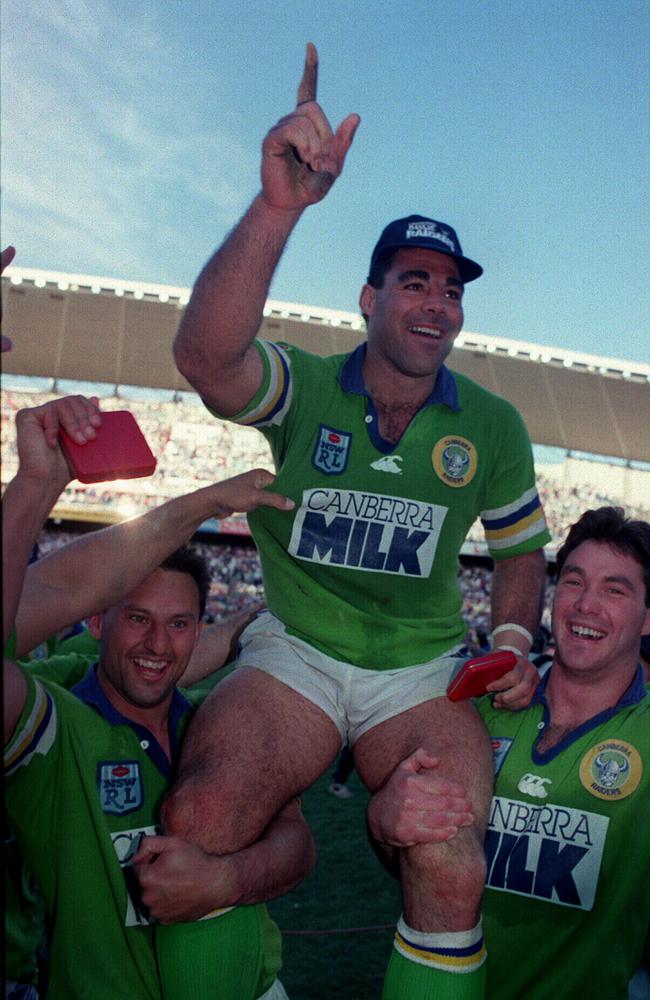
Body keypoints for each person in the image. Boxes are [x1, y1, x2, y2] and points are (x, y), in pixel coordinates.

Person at [169, 43, 550, 999]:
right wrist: (279, 206)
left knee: (450, 852)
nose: (438, 304)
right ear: (370, 298)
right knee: (205, 815)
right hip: (293, 644)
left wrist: (509, 629)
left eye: (452, 288)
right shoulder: (304, 384)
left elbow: (521, 552)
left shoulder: (494, 425)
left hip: (419, 670)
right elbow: (209, 362)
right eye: (415, 282)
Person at [3, 396, 313, 1000]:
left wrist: (224, 880)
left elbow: (298, 847)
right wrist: (35, 486)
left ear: (200, 629)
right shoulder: (53, 730)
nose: (158, 644)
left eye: (179, 624)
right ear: (94, 622)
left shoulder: (216, 720)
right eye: (137, 618)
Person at [368, 506, 650, 999]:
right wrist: (385, 824)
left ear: (648, 619)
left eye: (615, 590)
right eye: (573, 582)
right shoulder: (475, 707)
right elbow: (417, 862)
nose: (585, 604)